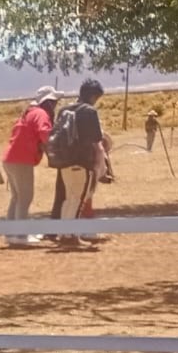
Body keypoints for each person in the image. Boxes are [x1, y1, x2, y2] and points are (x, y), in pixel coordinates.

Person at [49, 78, 106, 249]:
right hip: (82, 161)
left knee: (68, 198)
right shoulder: (89, 111)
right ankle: (71, 236)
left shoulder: (64, 110)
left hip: (65, 162)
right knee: (79, 198)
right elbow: (97, 141)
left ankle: (64, 233)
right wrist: (101, 164)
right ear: (93, 96)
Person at [2, 86, 58, 247]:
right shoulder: (41, 114)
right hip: (21, 159)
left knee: (16, 197)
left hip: (10, 158)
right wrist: (57, 144)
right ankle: (20, 235)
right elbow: (45, 133)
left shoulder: (29, 112)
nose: (55, 105)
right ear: (47, 102)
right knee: (25, 197)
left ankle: (11, 233)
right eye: (53, 102)